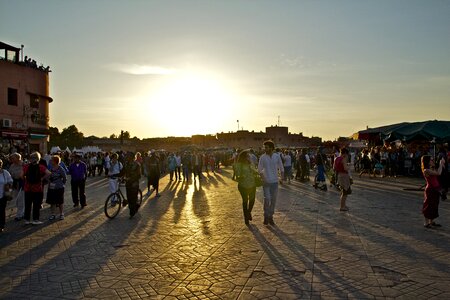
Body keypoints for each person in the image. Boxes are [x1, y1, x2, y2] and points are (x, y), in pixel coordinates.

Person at [258, 140, 284, 225]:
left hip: (275, 182)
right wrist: (263, 179)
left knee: (273, 200)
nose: (264, 149)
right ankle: (266, 215)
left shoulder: (277, 156)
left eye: (266, 147)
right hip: (266, 182)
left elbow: (281, 167)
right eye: (264, 147)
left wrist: (282, 178)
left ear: (271, 148)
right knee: (267, 199)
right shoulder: (262, 157)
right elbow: (260, 169)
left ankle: (270, 216)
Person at [23, 152, 51, 225]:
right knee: (36, 204)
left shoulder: (26, 166)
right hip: (37, 188)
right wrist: (42, 178)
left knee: (27, 204)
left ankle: (27, 220)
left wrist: (26, 180)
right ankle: (36, 220)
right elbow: (49, 173)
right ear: (38, 159)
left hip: (27, 188)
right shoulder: (41, 167)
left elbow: (21, 175)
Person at [421, 155, 445, 228]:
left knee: (434, 205)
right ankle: (426, 223)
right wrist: (440, 164)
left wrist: (441, 164)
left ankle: (431, 222)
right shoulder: (426, 170)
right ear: (427, 162)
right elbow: (438, 173)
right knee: (428, 205)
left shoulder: (431, 168)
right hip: (430, 189)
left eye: (433, 160)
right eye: (431, 160)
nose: (433, 161)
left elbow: (439, 172)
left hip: (436, 188)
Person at [235, 150, 257, 225]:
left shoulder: (251, 163)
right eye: (247, 156)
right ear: (243, 157)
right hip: (243, 186)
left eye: (249, 156)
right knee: (245, 201)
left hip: (252, 185)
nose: (249, 157)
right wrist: (241, 175)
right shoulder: (239, 165)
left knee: (252, 200)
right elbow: (237, 174)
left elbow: (255, 171)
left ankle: (248, 212)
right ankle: (246, 218)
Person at [46, 155, 67, 220]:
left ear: (55, 161)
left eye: (52, 160)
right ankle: (53, 214)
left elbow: (64, 177)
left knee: (60, 201)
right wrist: (49, 180)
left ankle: (61, 214)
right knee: (52, 202)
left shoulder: (60, 168)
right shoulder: (50, 168)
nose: (50, 161)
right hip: (51, 187)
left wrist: (62, 184)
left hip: (59, 187)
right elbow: (47, 175)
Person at [123, 152, 141, 218]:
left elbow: (139, 176)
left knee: (133, 199)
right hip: (128, 183)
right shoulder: (126, 164)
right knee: (129, 198)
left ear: (132, 157)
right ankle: (135, 206)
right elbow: (122, 172)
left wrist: (130, 179)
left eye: (128, 156)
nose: (127, 157)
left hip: (134, 184)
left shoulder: (137, 165)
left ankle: (132, 212)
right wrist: (113, 175)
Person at [8, 153, 25, 221]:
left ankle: (19, 215)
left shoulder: (23, 164)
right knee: (17, 200)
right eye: (11, 158)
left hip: (23, 183)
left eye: (13, 158)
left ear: (18, 158)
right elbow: (10, 175)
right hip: (15, 184)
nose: (11, 159)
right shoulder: (12, 166)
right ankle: (22, 213)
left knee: (20, 199)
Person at [0, 159, 13, 232]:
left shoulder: (5, 173)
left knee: (1, 211)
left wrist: (8, 185)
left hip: (3, 195)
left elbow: (11, 181)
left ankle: (1, 225)